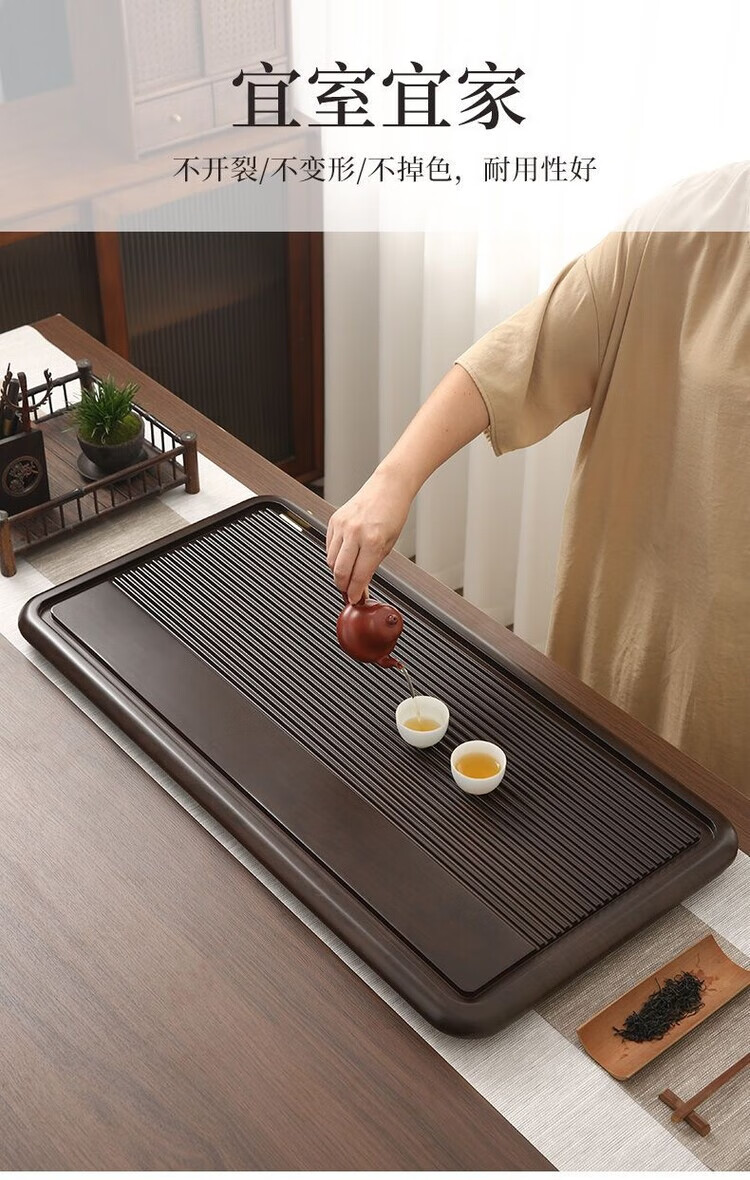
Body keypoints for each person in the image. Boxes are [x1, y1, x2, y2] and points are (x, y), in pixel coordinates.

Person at [326, 161, 750, 799]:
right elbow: (523, 349)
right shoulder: (691, 224)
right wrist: (393, 480)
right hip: (634, 617)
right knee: (597, 791)